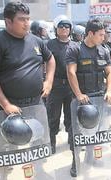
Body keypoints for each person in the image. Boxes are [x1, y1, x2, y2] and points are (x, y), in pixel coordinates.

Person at [0, 2, 55, 176]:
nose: (26, 23)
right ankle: (3, 173)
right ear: (8, 22)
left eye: (28, 19)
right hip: (9, 108)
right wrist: (6, 104)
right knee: (7, 145)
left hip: (36, 104)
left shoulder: (36, 41)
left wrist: (49, 81)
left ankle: (37, 173)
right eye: (21, 19)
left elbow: (50, 59)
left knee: (37, 142)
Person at [66, 19, 111, 177]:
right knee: (77, 132)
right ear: (90, 33)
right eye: (100, 35)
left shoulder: (104, 51)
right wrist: (79, 94)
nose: (103, 37)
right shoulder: (75, 49)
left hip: (99, 97)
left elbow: (110, 72)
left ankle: (90, 156)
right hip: (81, 100)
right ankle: (75, 160)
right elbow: (71, 72)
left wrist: (109, 90)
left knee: (97, 130)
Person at [46, 15, 77, 154]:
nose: (64, 28)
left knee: (71, 116)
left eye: (67, 26)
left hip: (71, 87)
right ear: (56, 28)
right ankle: (51, 143)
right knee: (53, 116)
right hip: (56, 86)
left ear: (70, 29)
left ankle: (72, 141)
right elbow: (43, 64)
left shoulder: (76, 45)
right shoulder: (49, 44)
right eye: (61, 26)